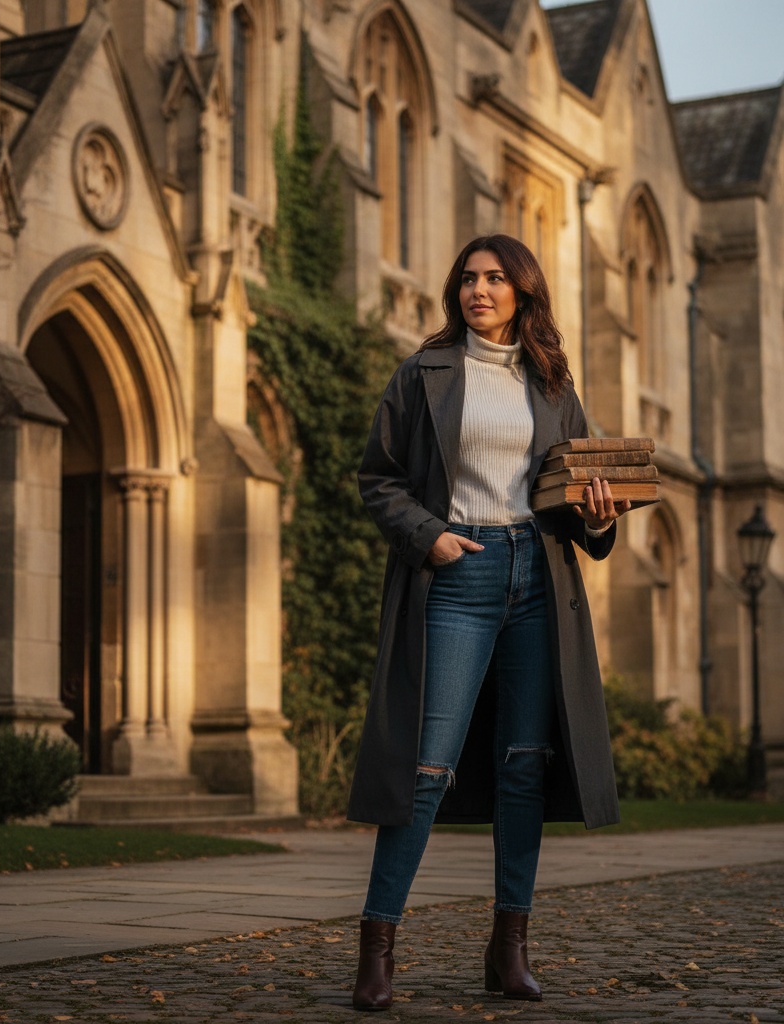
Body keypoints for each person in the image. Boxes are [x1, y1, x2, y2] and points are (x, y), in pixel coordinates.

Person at [348, 234, 628, 1010]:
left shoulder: (552, 385)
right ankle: (378, 951)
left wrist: (599, 516)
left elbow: (576, 497)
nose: (478, 290)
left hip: (538, 577)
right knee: (427, 767)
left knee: (522, 766)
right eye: (469, 278)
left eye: (495, 278)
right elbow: (379, 477)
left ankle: (509, 950)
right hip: (458, 572)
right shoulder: (425, 373)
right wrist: (427, 535)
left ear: (522, 293)